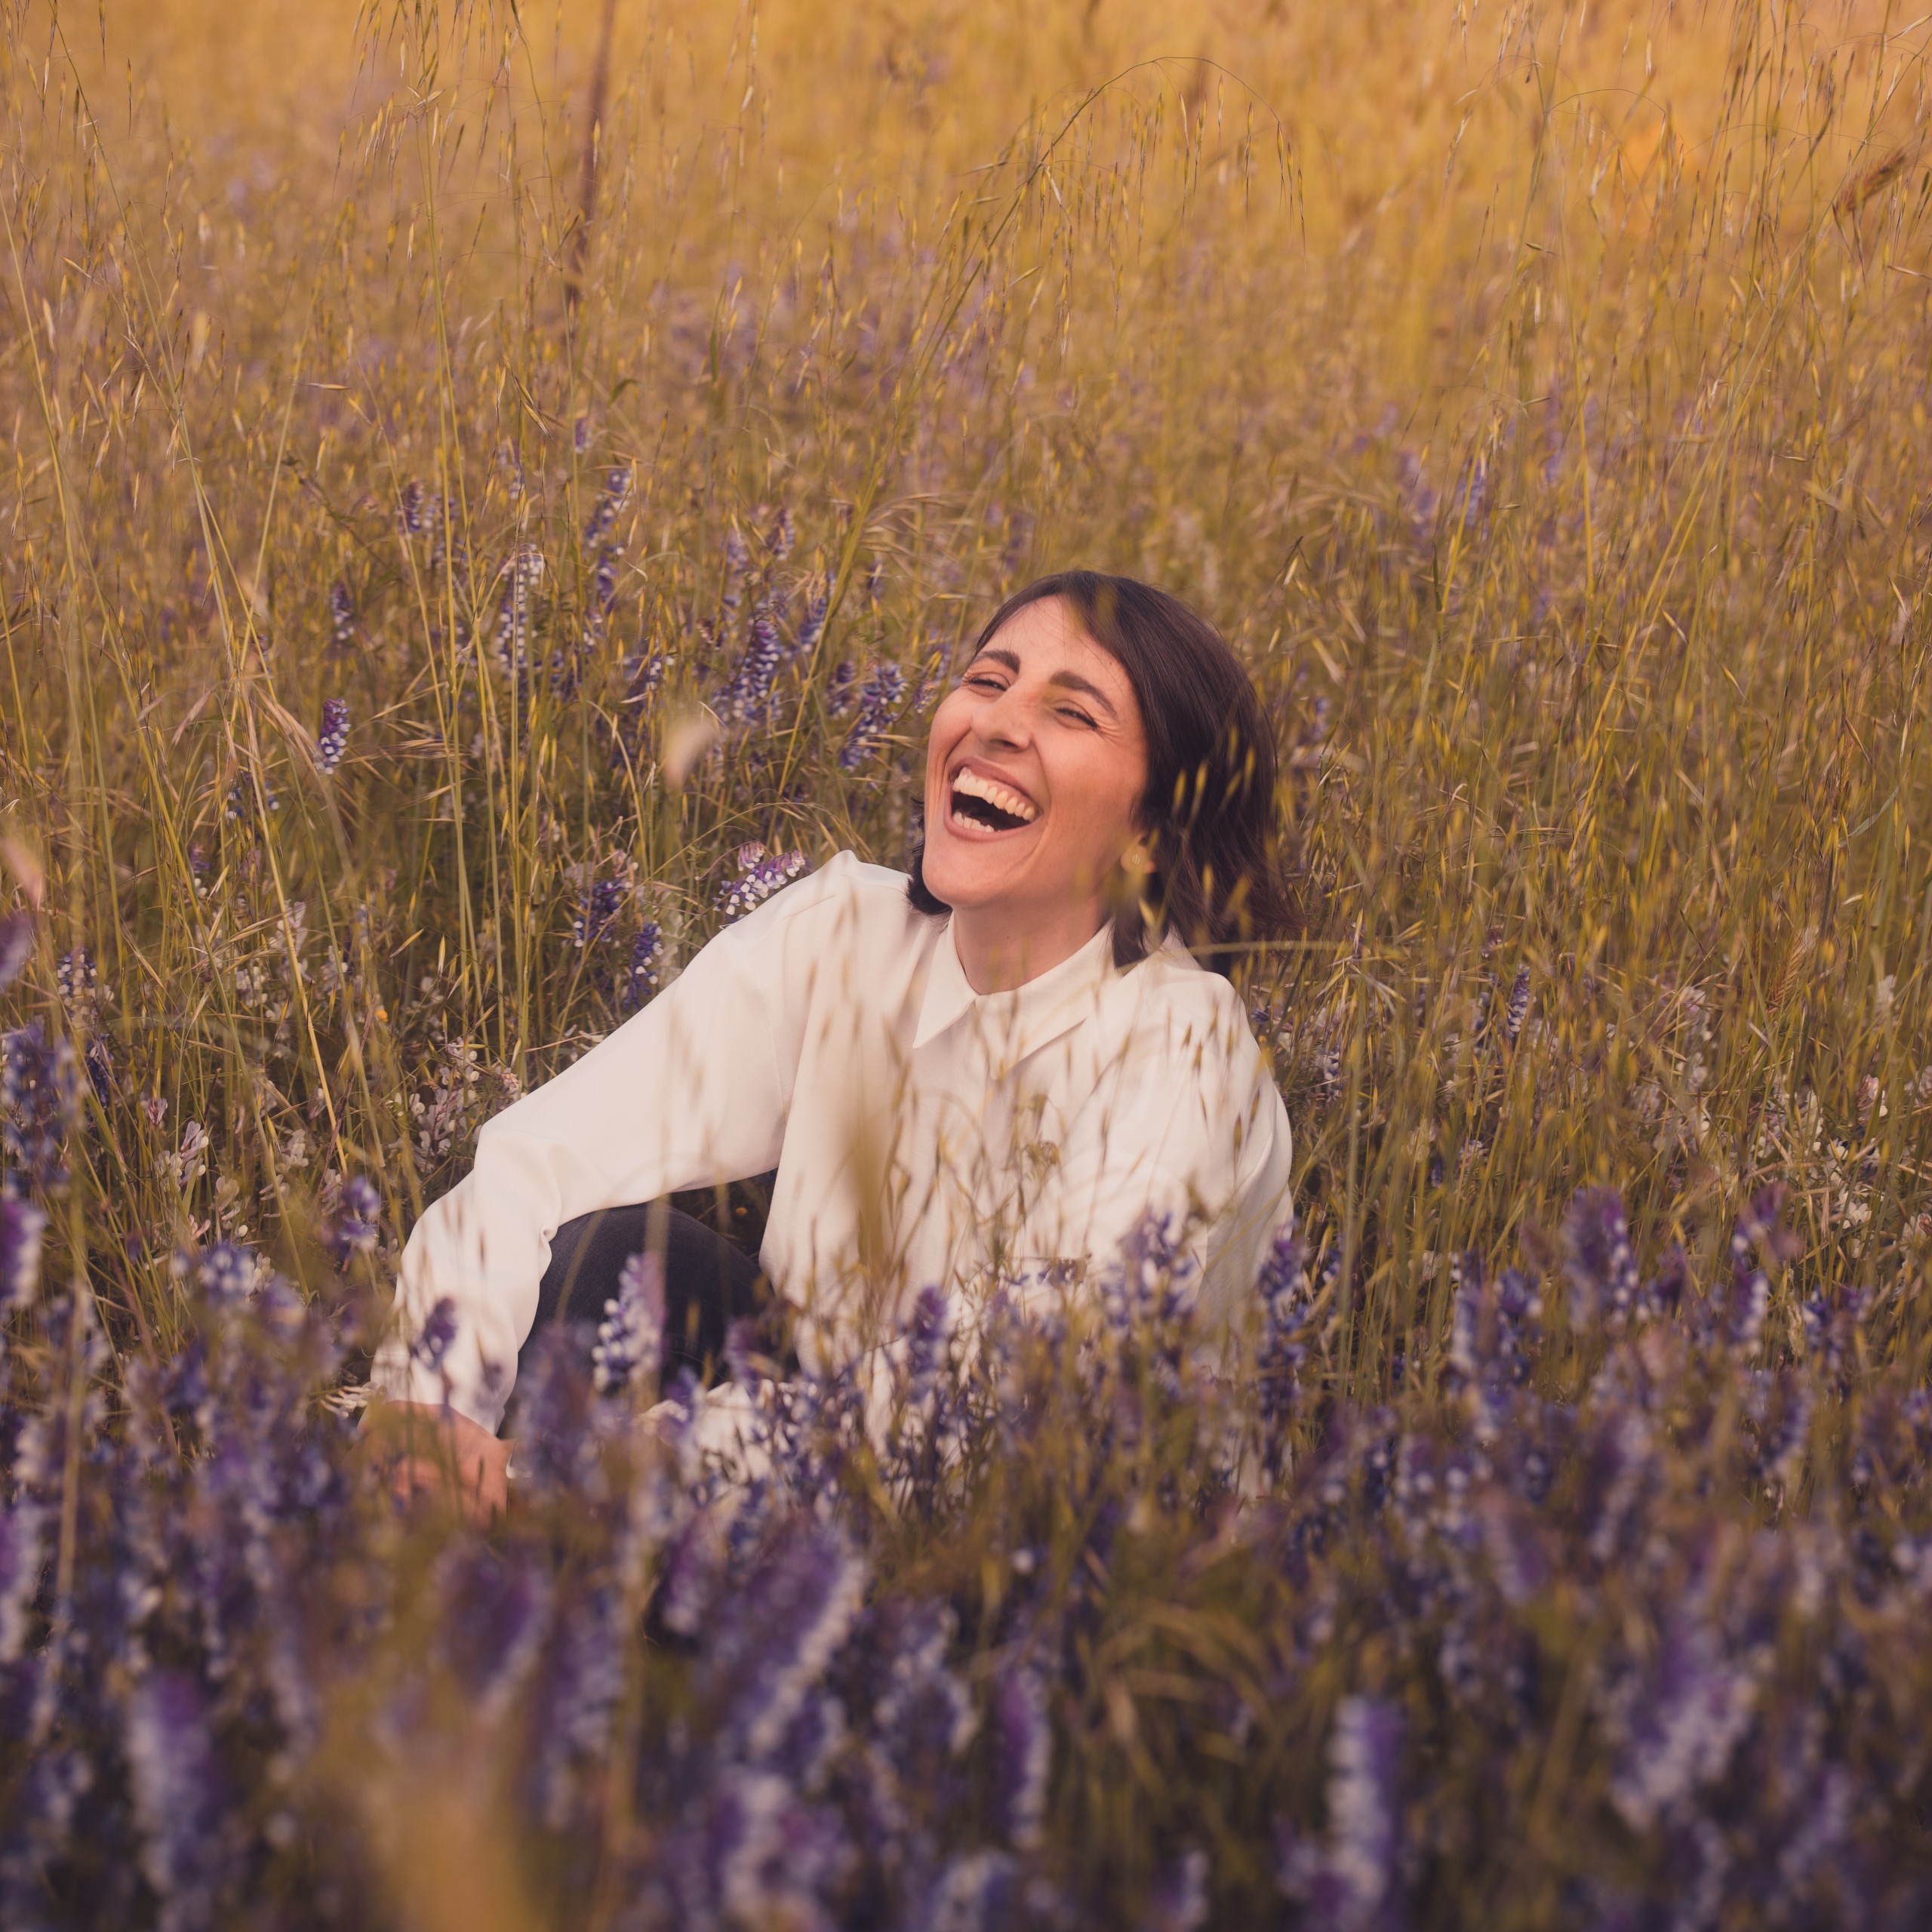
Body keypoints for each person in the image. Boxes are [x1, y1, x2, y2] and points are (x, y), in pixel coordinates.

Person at [371, 570, 1298, 1516]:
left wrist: (583, 1473)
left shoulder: (1186, 1054)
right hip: (794, 1439)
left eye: (1071, 712)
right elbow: (538, 1154)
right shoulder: (845, 932)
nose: (998, 722)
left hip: (1053, 1551)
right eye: (987, 680)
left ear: (1152, 828)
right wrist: (427, 1404)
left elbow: (1002, 1396)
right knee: (603, 1259)